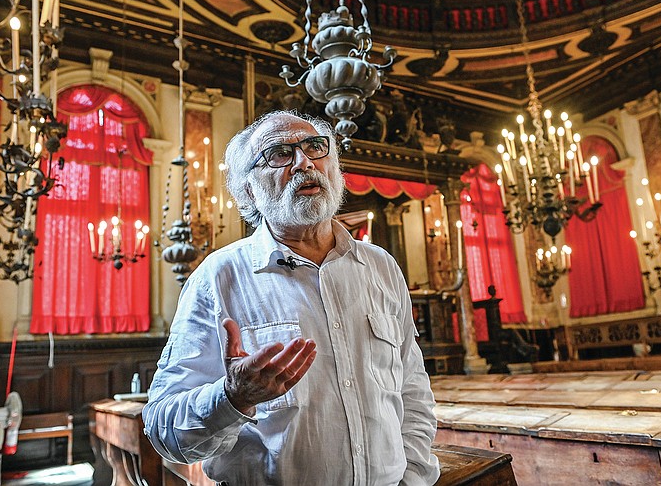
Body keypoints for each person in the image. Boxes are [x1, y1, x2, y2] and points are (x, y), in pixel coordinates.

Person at [143, 110, 440, 485]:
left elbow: (412, 393)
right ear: (249, 189)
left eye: (316, 147)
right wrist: (233, 397)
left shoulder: (380, 266)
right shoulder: (219, 278)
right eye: (280, 153)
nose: (305, 162)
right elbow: (163, 431)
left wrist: (411, 478)